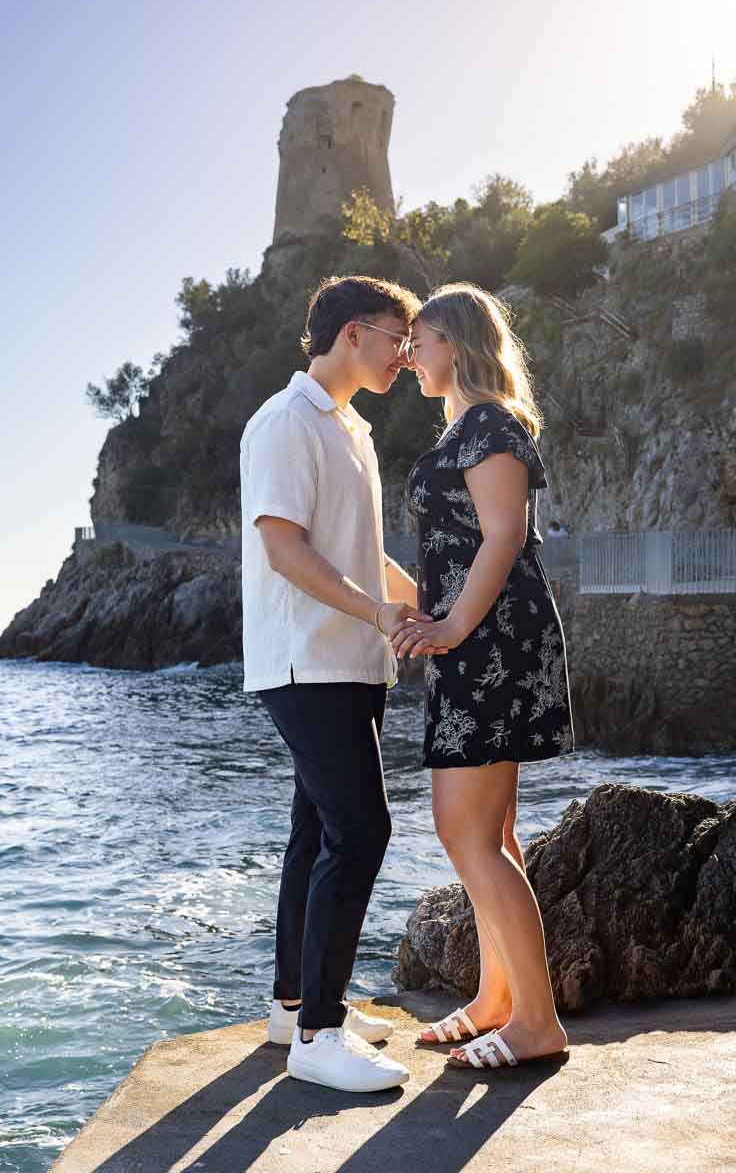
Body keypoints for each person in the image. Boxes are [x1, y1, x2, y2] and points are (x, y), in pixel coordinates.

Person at [240, 274, 442, 1093]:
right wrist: (376, 611)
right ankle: (318, 1037)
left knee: (317, 833)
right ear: (353, 333)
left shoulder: (350, 428)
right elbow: (283, 548)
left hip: (351, 659)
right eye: (398, 339)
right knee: (361, 831)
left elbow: (359, 550)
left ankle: (292, 1007)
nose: (406, 356)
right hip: (306, 660)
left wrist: (421, 604)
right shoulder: (285, 420)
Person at [390, 282, 574, 1071]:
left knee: (463, 830)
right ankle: (500, 998)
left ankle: (537, 1021)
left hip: (492, 641)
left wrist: (453, 626)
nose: (409, 356)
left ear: (457, 343)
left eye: (419, 342)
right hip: (476, 640)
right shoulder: (465, 428)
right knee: (489, 831)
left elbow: (504, 534)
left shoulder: (492, 424)